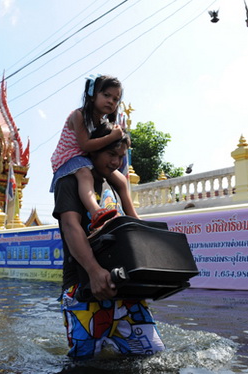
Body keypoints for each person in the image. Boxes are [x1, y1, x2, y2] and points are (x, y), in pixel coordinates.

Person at [53, 122, 165, 360]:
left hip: (123, 287)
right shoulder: (70, 180)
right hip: (84, 287)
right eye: (110, 154)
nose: (116, 162)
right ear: (95, 148)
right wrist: (93, 271)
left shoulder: (115, 184)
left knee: (152, 355)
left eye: (120, 156)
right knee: (86, 364)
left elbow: (134, 227)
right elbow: (72, 228)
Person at [50, 75, 138, 231]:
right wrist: (111, 137)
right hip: (70, 156)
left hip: (87, 157)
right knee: (85, 174)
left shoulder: (103, 123)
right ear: (92, 95)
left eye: (115, 99)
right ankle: (95, 210)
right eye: (106, 95)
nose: (111, 101)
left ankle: (135, 218)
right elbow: (85, 145)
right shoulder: (79, 115)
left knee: (122, 181)